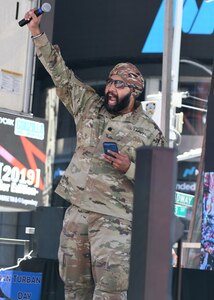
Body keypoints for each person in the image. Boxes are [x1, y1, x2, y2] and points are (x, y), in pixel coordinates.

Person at [25, 8, 166, 300]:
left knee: (111, 293)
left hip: (115, 221)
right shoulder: (90, 105)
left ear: (134, 91)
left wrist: (129, 167)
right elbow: (61, 75)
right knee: (74, 290)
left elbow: (160, 185)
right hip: (77, 212)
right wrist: (37, 34)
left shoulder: (150, 131)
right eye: (111, 81)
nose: (111, 88)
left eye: (120, 85)